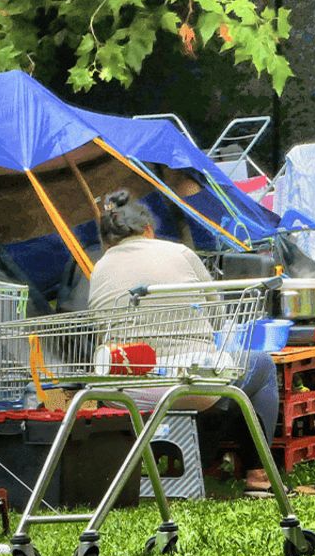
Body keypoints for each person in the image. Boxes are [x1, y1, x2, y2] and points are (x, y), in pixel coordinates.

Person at [85, 189, 281, 444]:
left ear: (107, 242)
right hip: (189, 383)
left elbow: (98, 326)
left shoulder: (99, 268)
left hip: (121, 389)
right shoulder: (179, 253)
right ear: (148, 229)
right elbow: (218, 318)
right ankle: (258, 474)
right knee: (262, 365)